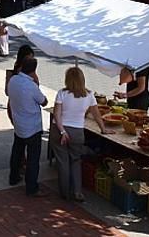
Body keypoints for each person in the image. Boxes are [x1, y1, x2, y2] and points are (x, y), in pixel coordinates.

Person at [50, 67, 107, 201]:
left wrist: (62, 131)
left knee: (62, 162)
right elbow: (97, 114)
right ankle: (77, 191)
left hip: (59, 131)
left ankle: (64, 193)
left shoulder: (62, 93)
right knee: (75, 161)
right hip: (77, 131)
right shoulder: (89, 95)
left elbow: (57, 114)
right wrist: (103, 129)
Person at [7, 57, 48, 197]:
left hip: (18, 124)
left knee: (17, 152)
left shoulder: (13, 80)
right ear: (34, 70)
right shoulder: (31, 86)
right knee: (33, 158)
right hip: (32, 127)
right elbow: (44, 102)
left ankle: (13, 177)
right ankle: (31, 187)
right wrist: (37, 82)